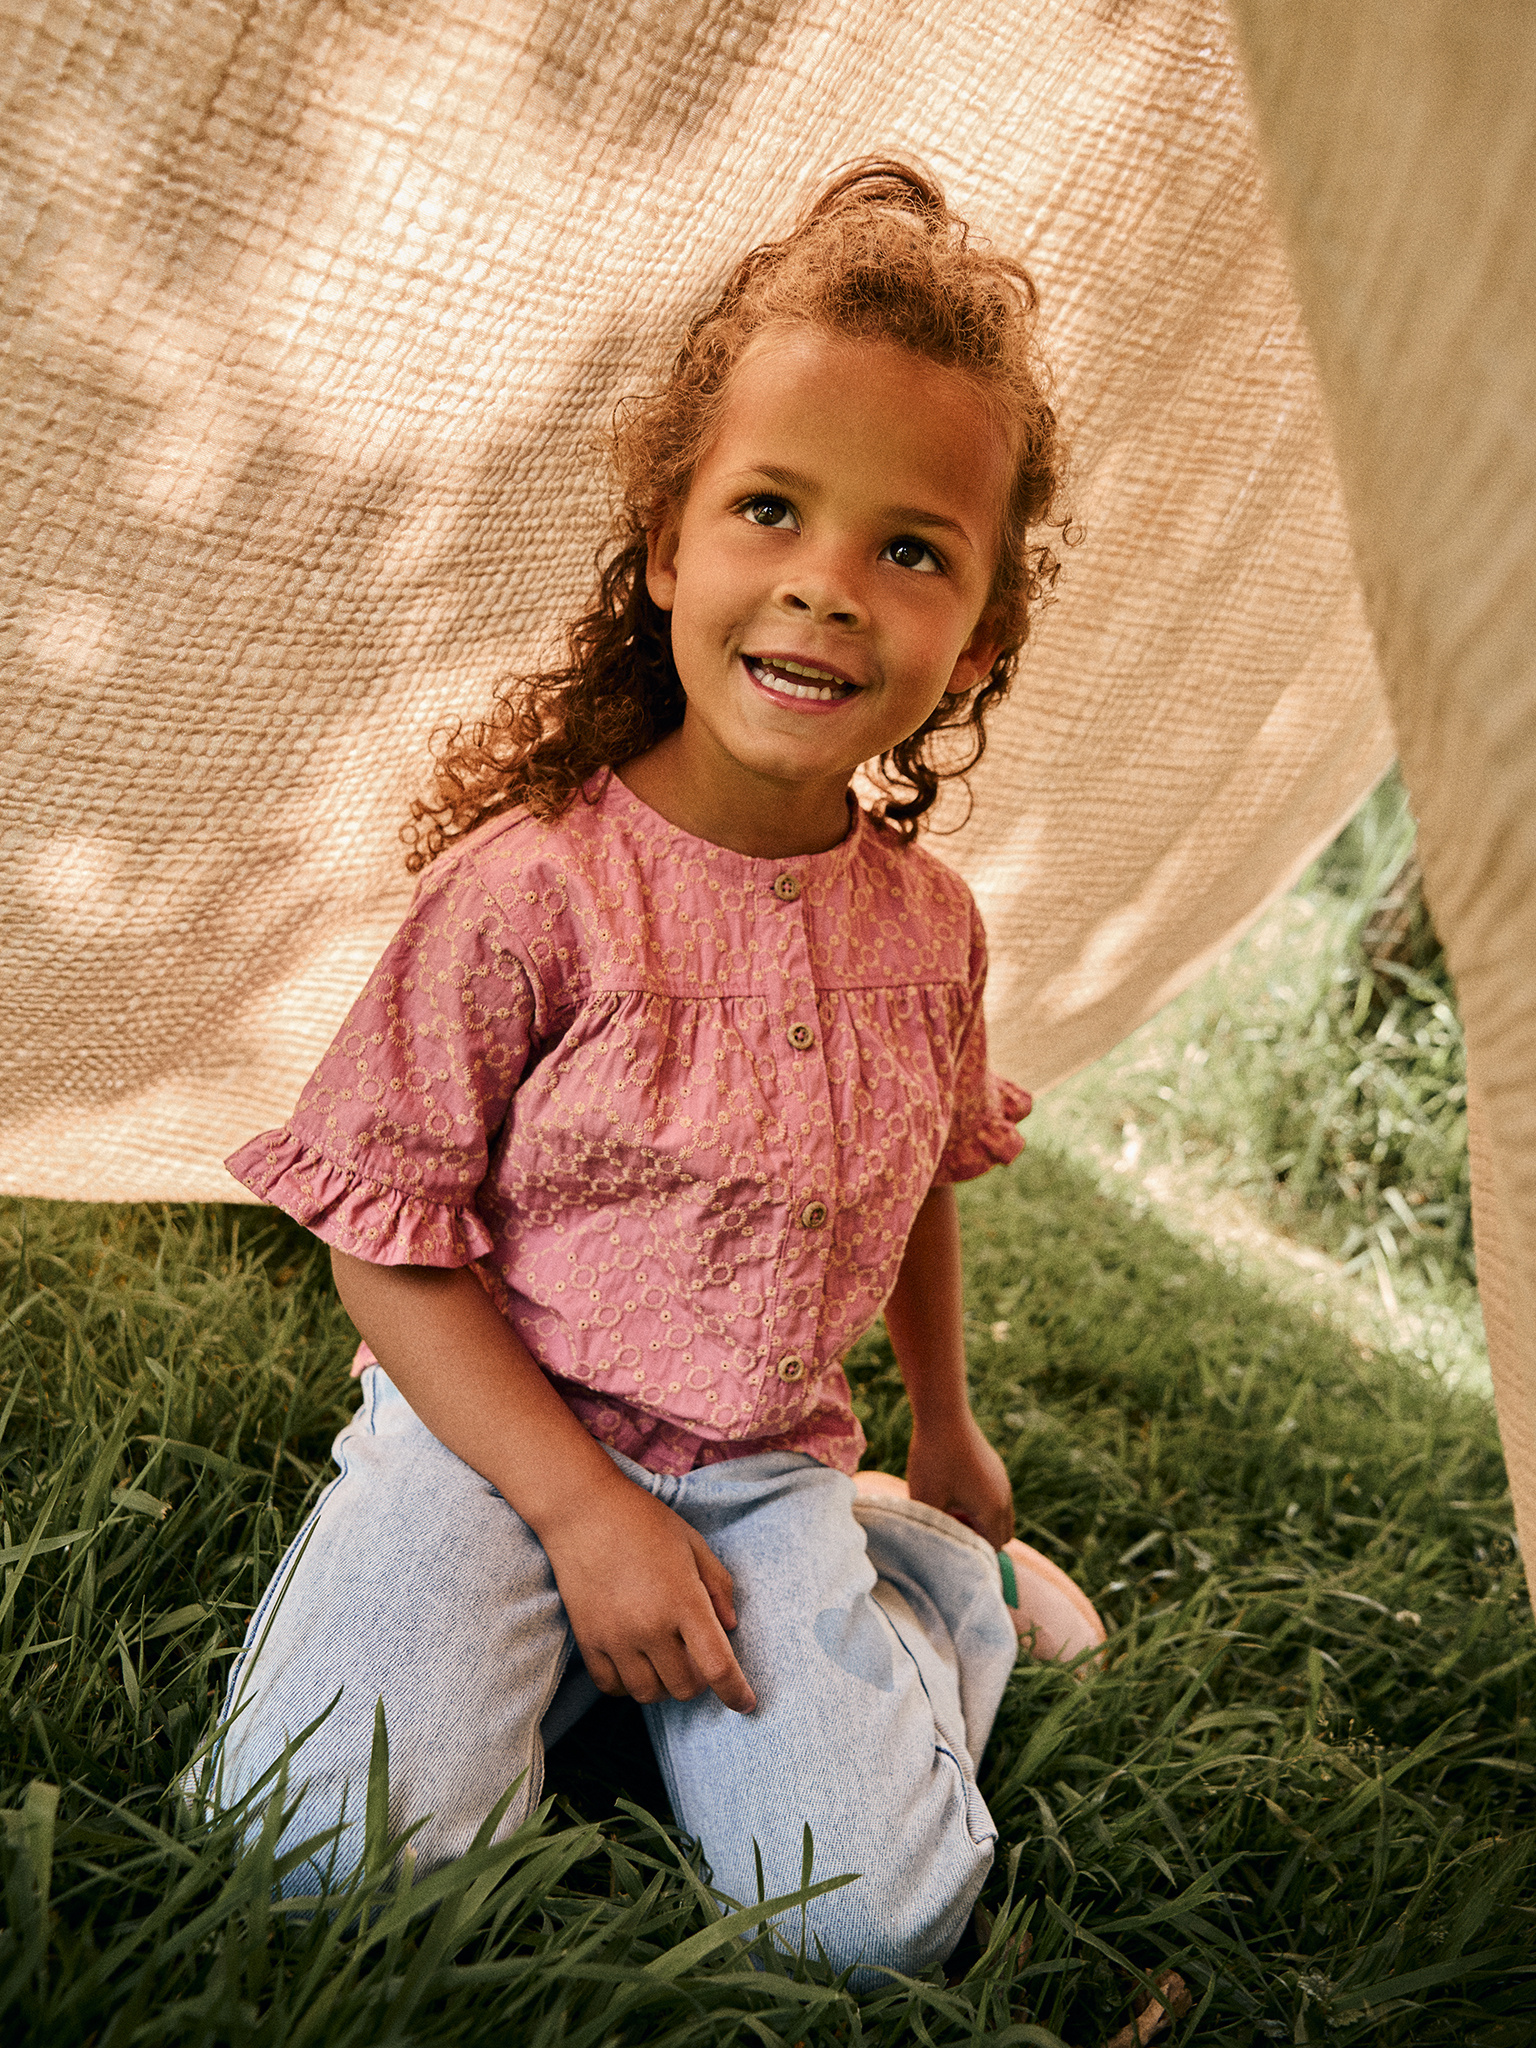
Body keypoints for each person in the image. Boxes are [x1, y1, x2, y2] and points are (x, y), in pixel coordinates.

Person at [213, 158, 1103, 1981]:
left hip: (762, 1466)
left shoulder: (930, 929)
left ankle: (924, 1589)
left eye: (912, 550)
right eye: (770, 510)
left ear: (981, 638)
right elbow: (385, 1244)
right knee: (322, 1862)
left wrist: (944, 1424)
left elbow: (916, 1176)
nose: (827, 588)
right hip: (491, 1439)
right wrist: (577, 1511)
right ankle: (546, 1635)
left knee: (871, 1930)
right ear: (667, 552)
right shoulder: (532, 891)